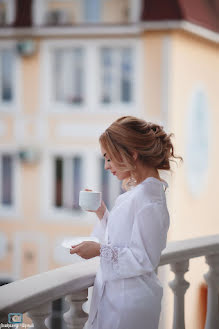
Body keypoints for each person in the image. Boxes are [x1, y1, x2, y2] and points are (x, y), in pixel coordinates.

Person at [70, 116, 182, 329]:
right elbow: (124, 239)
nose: (106, 166)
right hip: (119, 301)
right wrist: (102, 212)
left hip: (128, 309)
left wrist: (98, 251)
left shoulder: (148, 200)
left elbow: (142, 258)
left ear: (131, 154)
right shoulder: (140, 194)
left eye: (109, 158)